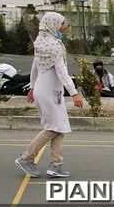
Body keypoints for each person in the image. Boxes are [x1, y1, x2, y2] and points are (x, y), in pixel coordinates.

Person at [15, 12, 84, 178]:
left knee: (60, 128)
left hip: (45, 90)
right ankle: (27, 158)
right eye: (62, 24)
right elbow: (61, 71)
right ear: (53, 25)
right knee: (53, 127)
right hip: (49, 92)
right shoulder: (54, 45)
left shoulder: (42, 42)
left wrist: (32, 88)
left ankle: (56, 165)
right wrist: (74, 93)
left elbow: (35, 67)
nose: (65, 27)